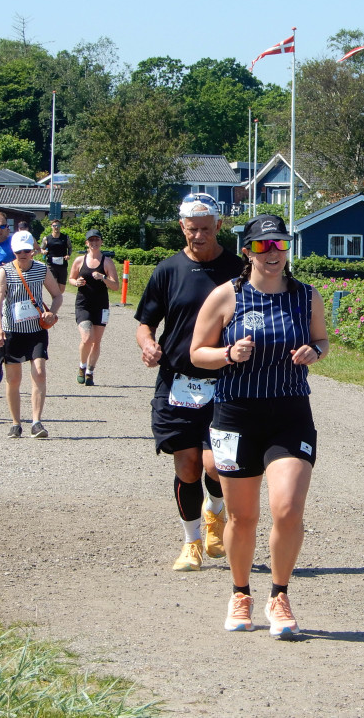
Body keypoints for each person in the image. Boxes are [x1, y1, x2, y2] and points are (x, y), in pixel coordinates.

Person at [190, 213, 329, 637]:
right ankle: (241, 593)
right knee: (243, 516)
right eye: (263, 246)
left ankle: (279, 595)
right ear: (247, 251)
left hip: (290, 414)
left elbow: (322, 341)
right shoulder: (226, 296)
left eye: (280, 244)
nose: (273, 253)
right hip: (236, 416)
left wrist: (315, 352)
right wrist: (227, 354)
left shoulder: (306, 296)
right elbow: (196, 353)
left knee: (288, 509)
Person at [134, 193, 242, 573]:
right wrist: (148, 345)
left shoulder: (238, 269)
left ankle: (215, 511)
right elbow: (145, 323)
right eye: (192, 229)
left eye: (206, 229)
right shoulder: (168, 270)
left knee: (216, 466)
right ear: (182, 227)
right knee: (188, 465)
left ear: (219, 226)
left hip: (226, 382)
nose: (199, 236)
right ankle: (191, 542)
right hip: (177, 381)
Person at [0, 230, 64, 439]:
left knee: (39, 372)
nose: (22, 255)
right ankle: (16, 423)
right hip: (12, 330)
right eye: (18, 252)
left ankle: (36, 422)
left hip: (36, 330)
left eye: (26, 251)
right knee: (13, 379)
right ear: (13, 252)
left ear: (32, 250)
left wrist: (52, 312)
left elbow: (57, 295)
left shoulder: (41, 269)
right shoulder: (5, 271)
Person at [69, 229, 120, 386]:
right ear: (86, 243)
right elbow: (71, 278)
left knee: (96, 341)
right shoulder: (79, 260)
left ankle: (90, 372)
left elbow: (115, 286)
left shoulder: (107, 262)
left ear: (101, 242)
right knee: (87, 338)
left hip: (101, 306)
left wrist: (103, 277)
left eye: (97, 239)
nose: (94, 243)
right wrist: (76, 282)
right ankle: (82, 366)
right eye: (91, 240)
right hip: (83, 304)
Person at [41, 219, 72, 288]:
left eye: (58, 225)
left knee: (61, 288)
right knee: (53, 285)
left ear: (60, 226)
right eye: (54, 226)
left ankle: (58, 294)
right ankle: (54, 294)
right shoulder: (46, 238)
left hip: (62, 265)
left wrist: (68, 255)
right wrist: (43, 251)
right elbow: (41, 248)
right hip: (51, 265)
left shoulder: (65, 237)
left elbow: (70, 248)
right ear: (51, 226)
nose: (56, 227)